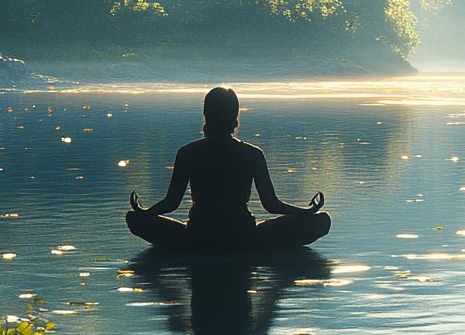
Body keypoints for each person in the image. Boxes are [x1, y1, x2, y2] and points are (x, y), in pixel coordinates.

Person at [126, 86, 330, 251]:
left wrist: (145, 212)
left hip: (198, 237)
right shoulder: (253, 154)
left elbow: (171, 202)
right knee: (321, 221)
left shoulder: (188, 153)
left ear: (206, 115)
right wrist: (306, 212)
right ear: (235, 118)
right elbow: (271, 204)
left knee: (135, 219)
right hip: (243, 237)